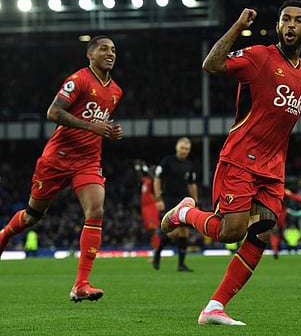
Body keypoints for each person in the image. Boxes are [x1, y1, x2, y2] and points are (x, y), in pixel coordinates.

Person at [161, 0, 301, 325]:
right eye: (286, 19)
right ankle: (184, 212)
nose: (291, 25)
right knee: (230, 233)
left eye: (298, 21)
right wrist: (238, 27)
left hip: (273, 168)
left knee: (261, 233)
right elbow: (211, 64)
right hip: (240, 158)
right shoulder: (259, 56)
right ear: (279, 25)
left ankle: (214, 307)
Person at [0, 35, 123, 302]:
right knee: (32, 216)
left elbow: (96, 121)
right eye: (104, 49)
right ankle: (4, 235)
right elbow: (53, 113)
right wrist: (92, 127)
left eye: (113, 50)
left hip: (89, 160)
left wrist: (108, 132)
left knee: (96, 210)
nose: (110, 53)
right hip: (58, 158)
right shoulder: (78, 80)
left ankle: (81, 284)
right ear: (90, 55)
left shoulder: (116, 91)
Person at [152, 137, 198, 272]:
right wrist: (158, 198)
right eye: (182, 148)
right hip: (169, 199)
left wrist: (196, 201)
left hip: (183, 199)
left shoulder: (190, 165)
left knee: (184, 230)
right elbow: (157, 179)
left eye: (187, 149)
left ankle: (181, 264)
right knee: (174, 231)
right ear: (177, 148)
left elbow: (192, 185)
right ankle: (158, 251)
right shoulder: (167, 162)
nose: (184, 151)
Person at [270, 188, 301, 259]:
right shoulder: (281, 189)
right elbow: (293, 196)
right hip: (279, 212)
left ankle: (276, 248)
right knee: (276, 231)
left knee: (277, 232)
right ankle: (275, 249)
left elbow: (292, 195)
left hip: (275, 211)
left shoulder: (271, 189)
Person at [134, 159, 161, 254]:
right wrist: (137, 168)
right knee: (150, 230)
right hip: (144, 207)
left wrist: (145, 169)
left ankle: (157, 253)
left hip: (151, 207)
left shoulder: (155, 182)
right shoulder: (146, 181)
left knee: (154, 229)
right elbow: (139, 178)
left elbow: (154, 179)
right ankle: (155, 250)